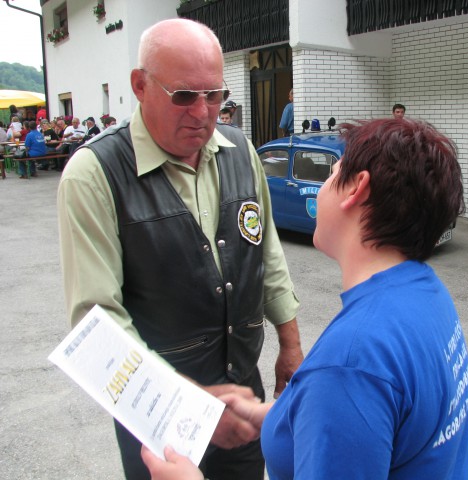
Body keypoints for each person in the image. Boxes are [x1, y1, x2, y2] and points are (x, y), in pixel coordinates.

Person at [141, 118, 468, 480]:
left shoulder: (352, 363)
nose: (321, 188)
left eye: (330, 175)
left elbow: (352, 392)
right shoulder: (426, 292)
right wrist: (278, 417)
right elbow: (376, 424)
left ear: (356, 189)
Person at [57, 18, 303, 480]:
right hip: (157, 418)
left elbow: (265, 249)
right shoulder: (93, 174)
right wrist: (189, 405)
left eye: (215, 96)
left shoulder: (239, 150)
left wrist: (289, 343)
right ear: (139, 86)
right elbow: (97, 322)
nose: (204, 113)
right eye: (184, 96)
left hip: (243, 399)